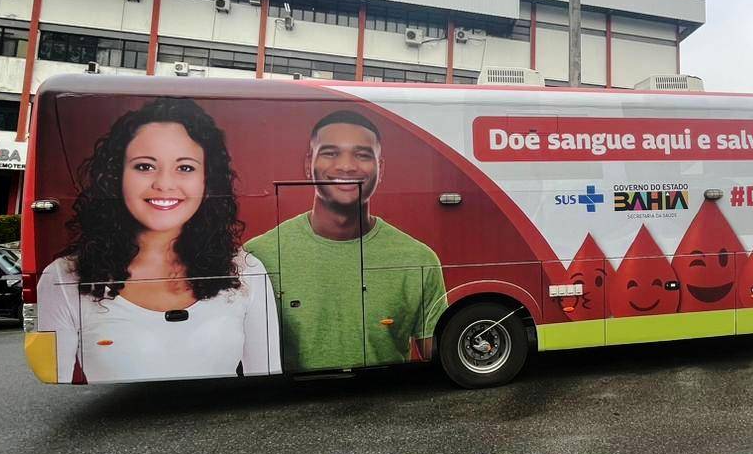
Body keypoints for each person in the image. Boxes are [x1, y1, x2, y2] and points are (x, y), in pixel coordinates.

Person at [37, 98, 280, 383]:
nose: (164, 183)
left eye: (185, 168)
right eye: (144, 166)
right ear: (117, 176)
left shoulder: (246, 270)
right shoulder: (62, 278)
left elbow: (266, 382)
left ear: (207, 181)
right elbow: (54, 382)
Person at [245, 109, 447, 371]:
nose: (346, 166)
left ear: (380, 168)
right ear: (308, 164)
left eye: (362, 155)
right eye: (330, 153)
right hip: (292, 409)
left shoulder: (419, 259)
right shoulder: (259, 256)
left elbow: (440, 364)